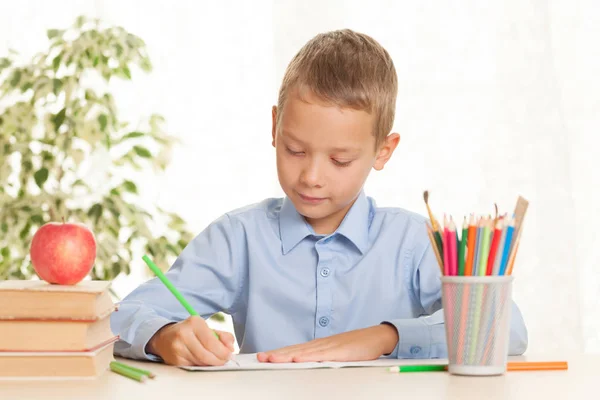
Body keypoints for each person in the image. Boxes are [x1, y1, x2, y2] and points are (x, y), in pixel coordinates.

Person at [111, 29, 528, 366]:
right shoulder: (238, 239)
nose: (311, 176)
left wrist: (385, 337)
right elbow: (120, 317)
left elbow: (507, 328)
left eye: (340, 160)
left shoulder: (412, 242)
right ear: (275, 127)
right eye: (294, 150)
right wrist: (165, 337)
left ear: (383, 150)